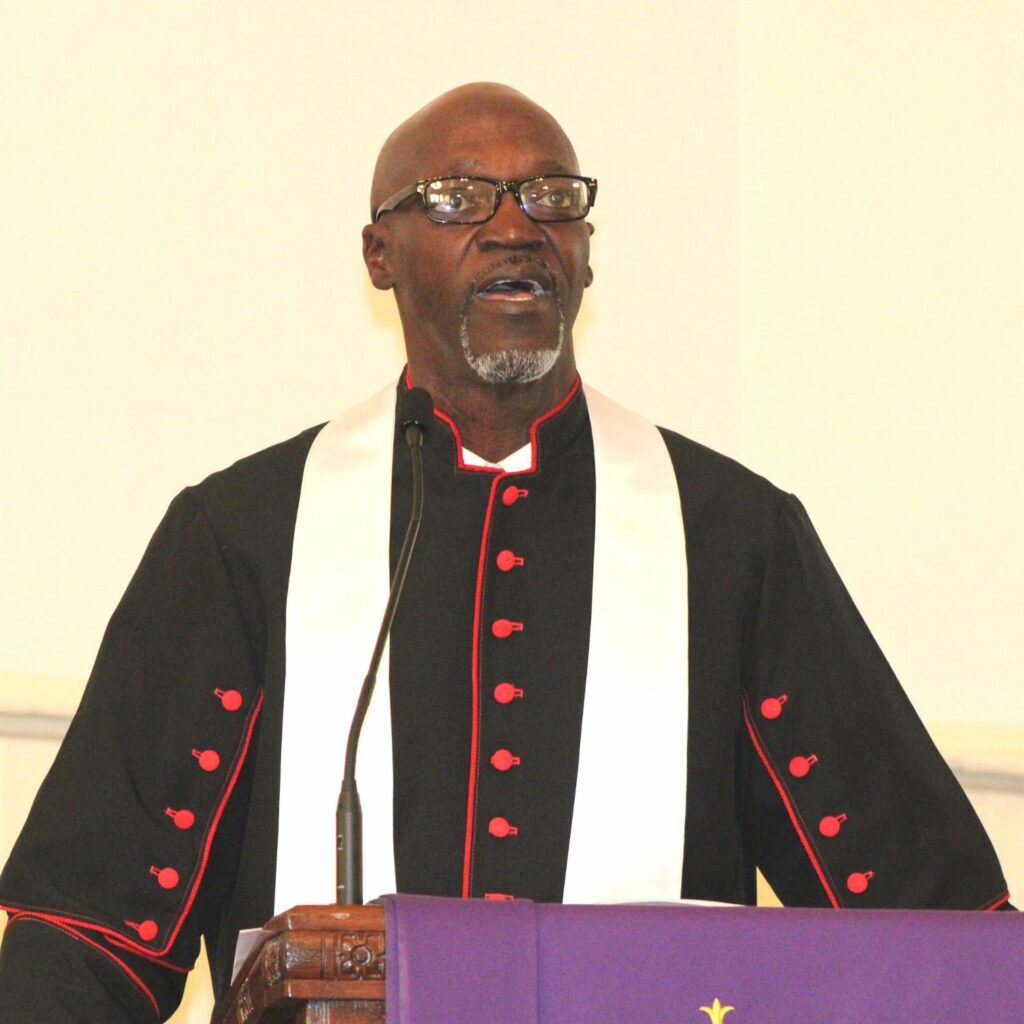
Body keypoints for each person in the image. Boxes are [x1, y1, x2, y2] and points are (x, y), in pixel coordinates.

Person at [0, 83, 1009, 1022]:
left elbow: (936, 930)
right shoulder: (243, 536)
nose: (516, 224)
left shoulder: (733, 535)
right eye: (457, 199)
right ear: (378, 253)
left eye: (551, 197)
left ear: (586, 250)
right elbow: (86, 938)